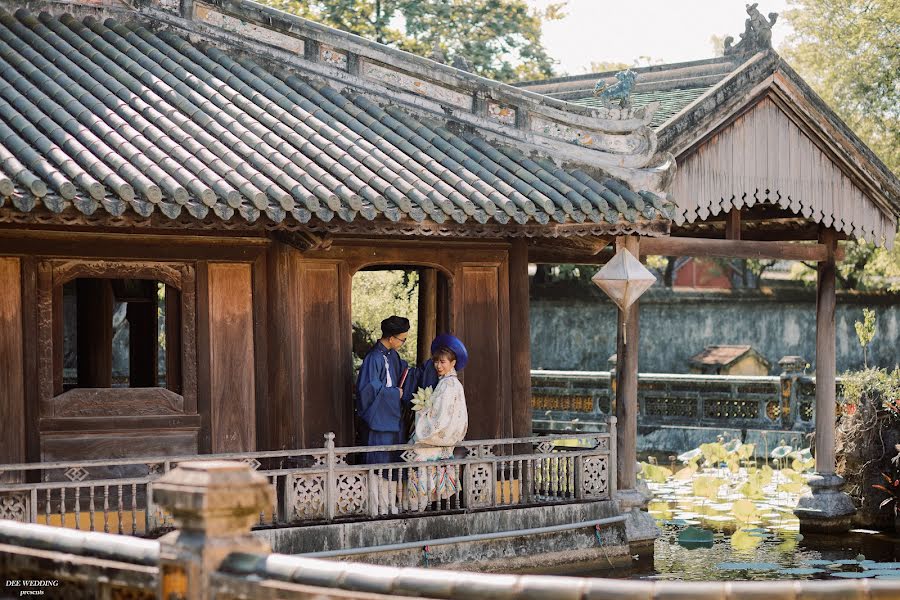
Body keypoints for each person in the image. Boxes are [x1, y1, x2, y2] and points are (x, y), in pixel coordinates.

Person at [356, 315, 418, 514]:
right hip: (378, 423)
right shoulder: (372, 358)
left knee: (393, 464)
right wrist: (394, 395)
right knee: (378, 464)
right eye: (402, 339)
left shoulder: (393, 356)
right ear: (391, 338)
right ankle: (378, 508)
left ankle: (391, 505)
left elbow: (404, 378)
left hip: (394, 421)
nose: (403, 343)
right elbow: (367, 391)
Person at [407, 334, 469, 510]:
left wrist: (422, 413)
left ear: (453, 363)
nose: (438, 366)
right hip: (444, 442)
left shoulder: (448, 385)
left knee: (422, 470)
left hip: (435, 438)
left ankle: (419, 508)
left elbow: (441, 416)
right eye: (436, 362)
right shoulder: (451, 383)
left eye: (443, 362)